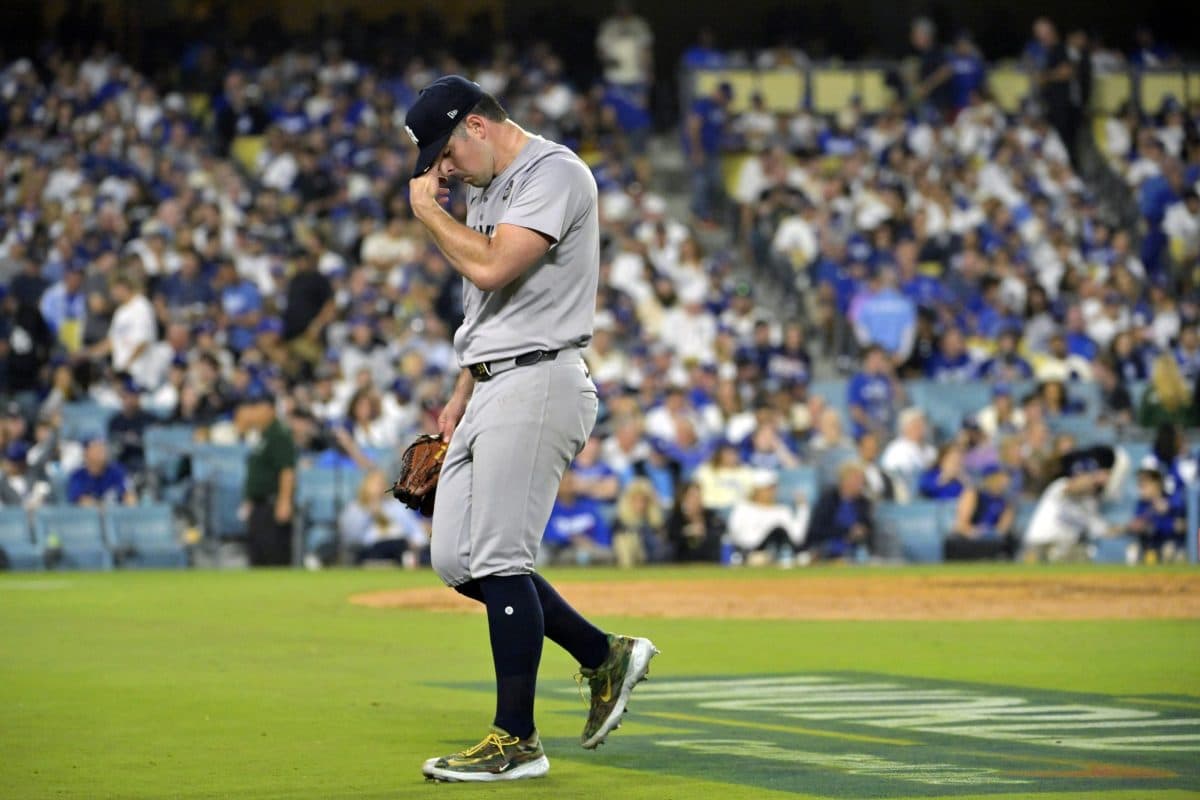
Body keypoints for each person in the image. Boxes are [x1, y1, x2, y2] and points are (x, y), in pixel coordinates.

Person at [403, 76, 657, 781]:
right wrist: (461, 389)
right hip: (490, 381)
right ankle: (602, 654)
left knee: (500, 560)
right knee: (456, 561)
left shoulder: (555, 171)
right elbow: (487, 311)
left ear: (479, 126)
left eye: (445, 151)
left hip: (542, 376)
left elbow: (492, 268)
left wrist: (427, 213)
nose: (441, 169)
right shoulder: (485, 191)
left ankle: (517, 740)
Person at [236, 389, 297, 567]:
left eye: (257, 407)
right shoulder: (262, 435)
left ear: (269, 409)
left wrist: (284, 501)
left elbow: (287, 470)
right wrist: (249, 500)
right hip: (259, 505)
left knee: (274, 556)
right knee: (258, 557)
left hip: (272, 504)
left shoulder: (278, 434)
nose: (253, 412)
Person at [338, 469, 429, 566]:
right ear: (365, 486)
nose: (379, 487)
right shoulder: (356, 508)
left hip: (400, 544)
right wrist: (369, 513)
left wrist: (416, 542)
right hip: (371, 547)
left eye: (382, 484)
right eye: (376, 484)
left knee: (410, 548)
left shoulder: (396, 506)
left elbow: (415, 529)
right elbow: (350, 537)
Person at [726, 471, 810, 565]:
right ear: (757, 490)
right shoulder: (743, 507)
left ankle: (783, 556)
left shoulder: (782, 510)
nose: (771, 492)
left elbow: (797, 537)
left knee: (779, 530)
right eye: (767, 488)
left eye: (773, 488)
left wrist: (803, 508)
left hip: (778, 546)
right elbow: (734, 532)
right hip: (750, 549)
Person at [945, 464, 1016, 560]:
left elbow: (1002, 529)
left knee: (1009, 541)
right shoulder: (973, 494)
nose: (1006, 480)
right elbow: (961, 525)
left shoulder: (1006, 501)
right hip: (969, 538)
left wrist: (990, 534)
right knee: (954, 542)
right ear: (991, 478)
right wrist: (977, 533)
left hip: (991, 540)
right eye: (1002, 476)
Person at [806, 462, 874, 561]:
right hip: (827, 546)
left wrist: (861, 531)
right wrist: (847, 532)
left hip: (854, 549)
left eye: (861, 480)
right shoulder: (828, 499)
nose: (860, 484)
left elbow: (868, 527)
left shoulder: (863, 503)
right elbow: (817, 529)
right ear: (844, 480)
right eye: (856, 479)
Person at [1127, 467, 1186, 563]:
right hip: (1149, 547)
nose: (1140, 489)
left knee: (1169, 549)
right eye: (1139, 485)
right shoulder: (1142, 504)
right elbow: (1138, 524)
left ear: (1157, 484)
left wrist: (1164, 524)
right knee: (1133, 548)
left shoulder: (1173, 501)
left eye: (1143, 485)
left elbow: (1184, 525)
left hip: (1173, 545)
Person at [610, 477, 667, 567]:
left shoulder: (655, 521)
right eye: (636, 500)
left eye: (643, 500)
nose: (640, 505)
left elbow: (659, 544)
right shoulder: (620, 521)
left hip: (651, 558)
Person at [665, 480, 724, 562]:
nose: (696, 500)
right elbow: (670, 538)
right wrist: (686, 532)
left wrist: (704, 532)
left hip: (708, 562)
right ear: (683, 498)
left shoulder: (710, 516)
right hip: (681, 563)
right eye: (692, 496)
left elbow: (719, 534)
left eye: (699, 496)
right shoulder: (676, 518)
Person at [67, 439, 136, 506]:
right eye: (96, 449)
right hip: (87, 516)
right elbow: (81, 501)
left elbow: (130, 497)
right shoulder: (78, 476)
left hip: (117, 515)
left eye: (102, 449)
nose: (101, 453)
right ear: (86, 453)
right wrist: (101, 507)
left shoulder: (117, 471)